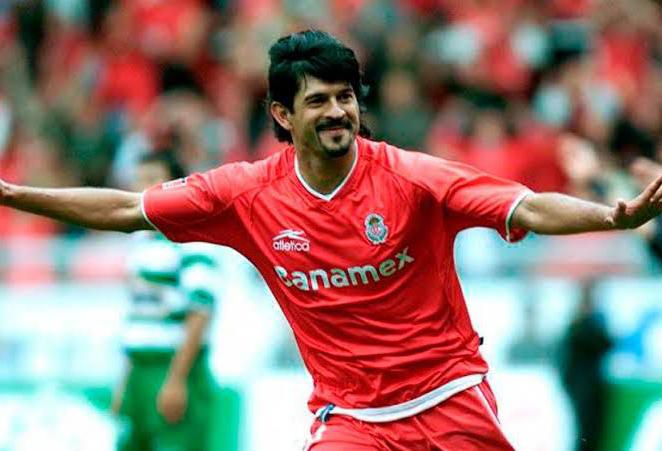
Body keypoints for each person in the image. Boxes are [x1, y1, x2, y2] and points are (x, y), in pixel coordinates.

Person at [0, 30, 661, 450]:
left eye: (345, 97)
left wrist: (614, 218)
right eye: (317, 100)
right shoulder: (246, 194)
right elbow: (125, 208)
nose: (338, 111)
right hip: (350, 419)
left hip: (449, 400)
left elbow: (528, 206)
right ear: (282, 115)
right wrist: (11, 193)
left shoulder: (411, 177)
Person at [111, 150, 219, 451]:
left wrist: (176, 379)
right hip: (140, 368)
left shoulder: (192, 239)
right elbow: (137, 315)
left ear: (173, 187)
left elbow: (201, 311)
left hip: (173, 367)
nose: (142, 188)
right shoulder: (140, 242)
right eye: (138, 180)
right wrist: (125, 381)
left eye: (152, 179)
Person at [559, 280, 613, 451]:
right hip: (584, 387)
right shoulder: (581, 326)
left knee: (590, 428)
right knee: (587, 428)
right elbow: (605, 344)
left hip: (585, 385)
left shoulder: (581, 324)